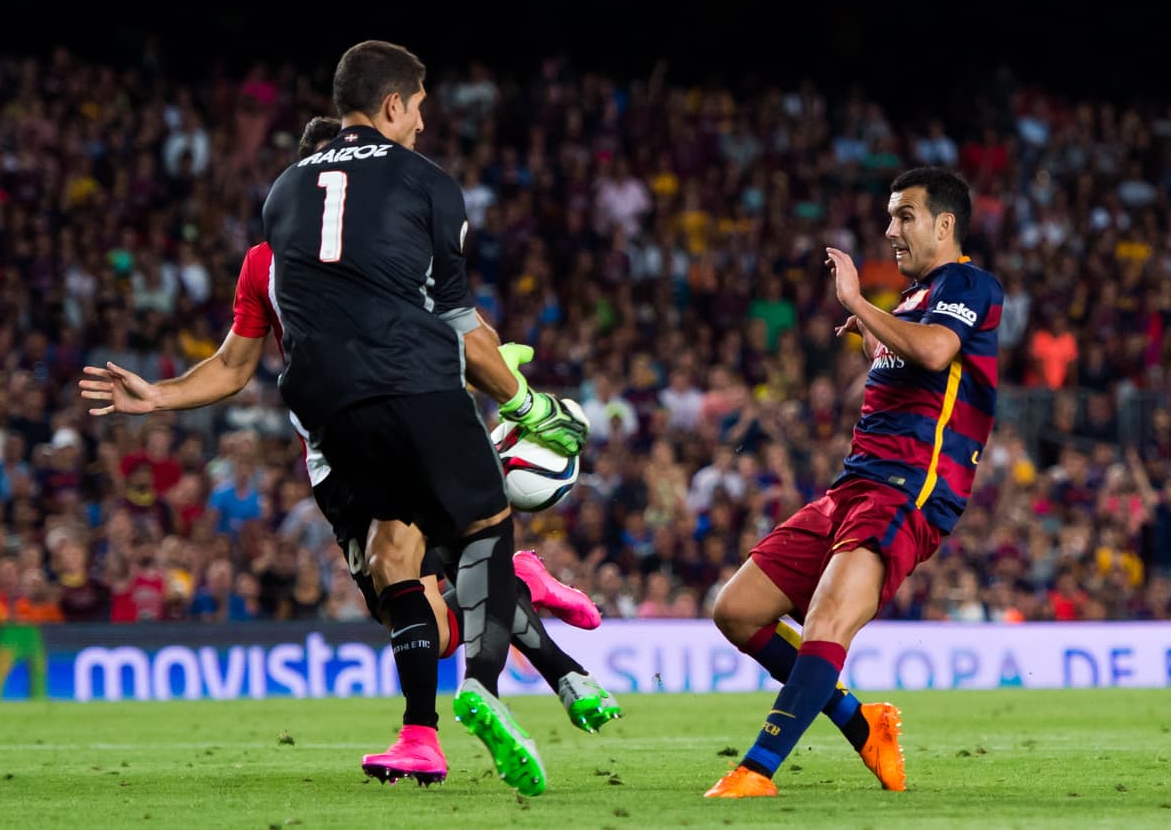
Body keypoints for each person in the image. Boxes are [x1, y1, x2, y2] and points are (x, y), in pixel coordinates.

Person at [82, 103, 606, 793]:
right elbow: (234, 364)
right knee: (410, 604)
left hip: (387, 424)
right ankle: (522, 595)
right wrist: (159, 394)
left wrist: (513, 390)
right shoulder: (267, 262)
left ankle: (426, 733)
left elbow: (459, 319)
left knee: (399, 566)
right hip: (331, 447)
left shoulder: (388, 239)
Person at [706, 167, 1003, 798]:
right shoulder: (914, 302)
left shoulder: (969, 283)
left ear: (944, 224)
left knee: (826, 622)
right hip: (854, 484)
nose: (891, 230)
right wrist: (873, 336)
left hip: (909, 490)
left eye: (905, 216)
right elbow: (912, 371)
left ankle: (757, 769)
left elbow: (935, 353)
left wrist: (858, 302)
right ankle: (860, 720)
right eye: (890, 216)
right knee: (736, 612)